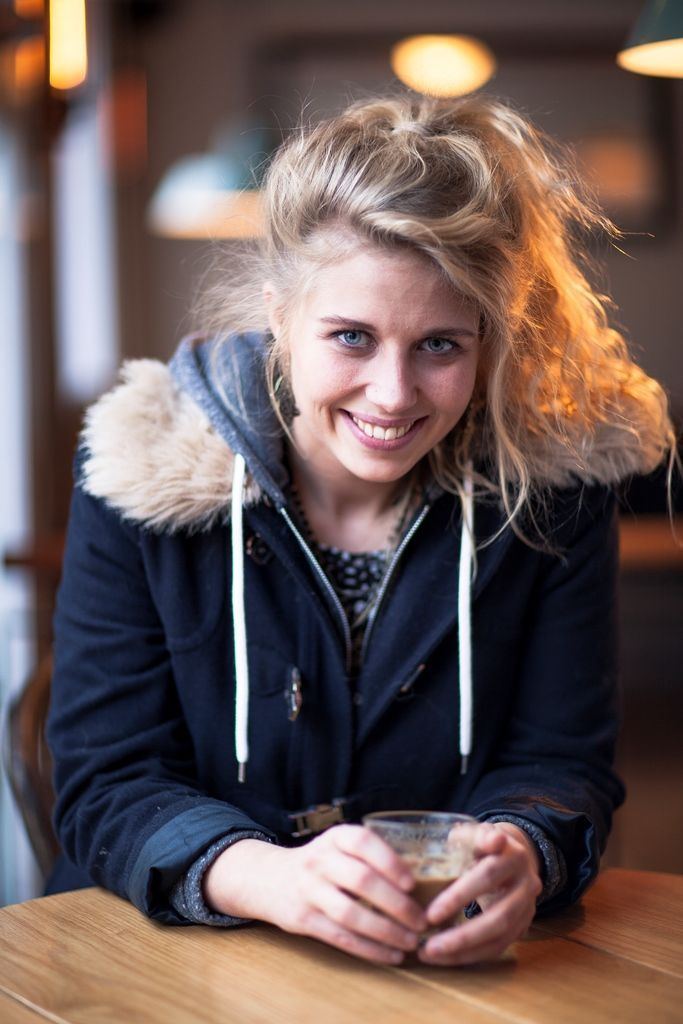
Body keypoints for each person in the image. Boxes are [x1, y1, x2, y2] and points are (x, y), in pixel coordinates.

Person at [46, 93, 675, 967]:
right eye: (351, 336)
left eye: (440, 346)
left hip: (438, 969)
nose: (391, 393)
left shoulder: (554, 491)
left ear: (489, 341)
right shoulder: (137, 471)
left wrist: (523, 849)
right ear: (279, 315)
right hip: (164, 965)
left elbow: (560, 762)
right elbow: (102, 784)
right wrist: (266, 876)